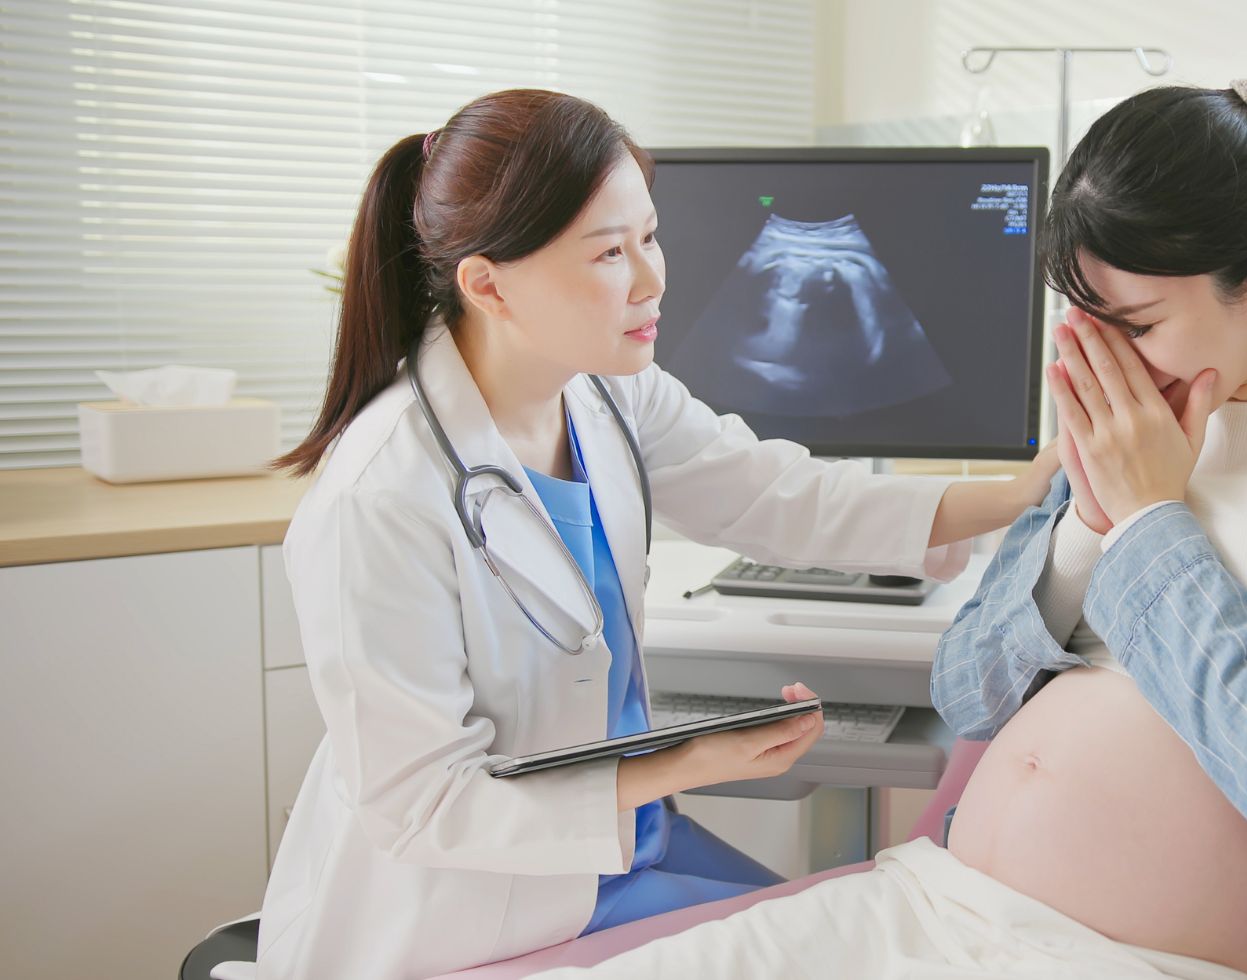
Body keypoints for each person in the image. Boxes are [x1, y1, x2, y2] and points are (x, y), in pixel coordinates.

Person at [526, 53, 1247, 980]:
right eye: (1089, 323)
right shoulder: (1138, 419)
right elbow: (969, 691)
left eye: (1137, 323)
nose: (1110, 362)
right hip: (936, 904)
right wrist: (1084, 530)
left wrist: (1145, 521)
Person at [256, 88, 1056, 980]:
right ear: (486, 283)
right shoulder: (381, 496)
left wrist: (1022, 493)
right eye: (608, 253)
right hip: (481, 903)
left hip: (628, 846)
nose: (653, 279)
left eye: (651, 236)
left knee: (866, 929)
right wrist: (691, 757)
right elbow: (424, 808)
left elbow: (776, 495)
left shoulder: (605, 391)